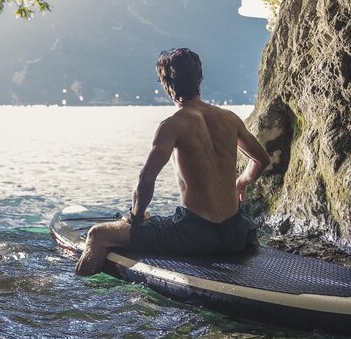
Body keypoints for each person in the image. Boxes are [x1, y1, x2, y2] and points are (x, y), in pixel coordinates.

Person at [75, 48, 272, 276]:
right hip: (236, 233)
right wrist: (240, 183)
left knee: (97, 236)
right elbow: (261, 160)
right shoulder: (229, 118)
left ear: (166, 84)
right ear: (199, 79)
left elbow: (146, 179)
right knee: (243, 226)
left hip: (196, 235)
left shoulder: (173, 125)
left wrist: (136, 217)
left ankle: (76, 298)